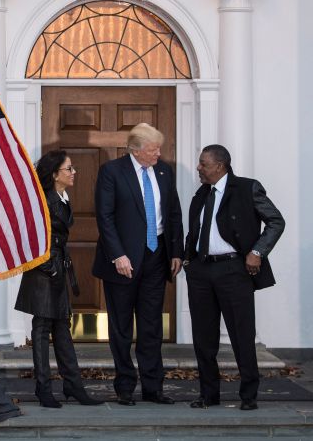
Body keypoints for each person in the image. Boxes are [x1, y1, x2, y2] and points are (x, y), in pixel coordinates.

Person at [183, 144, 285, 411]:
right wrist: (187, 259)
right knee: (203, 337)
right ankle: (209, 394)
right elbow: (195, 230)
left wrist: (257, 252)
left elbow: (276, 221)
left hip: (233, 270)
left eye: (203, 163)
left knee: (241, 334)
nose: (198, 168)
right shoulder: (201, 194)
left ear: (220, 165)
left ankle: (248, 395)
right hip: (201, 272)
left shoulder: (247, 188)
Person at [92, 123, 184, 406]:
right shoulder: (112, 171)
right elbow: (104, 217)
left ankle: (153, 387)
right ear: (136, 150)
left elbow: (174, 214)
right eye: (153, 149)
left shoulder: (164, 171)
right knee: (121, 327)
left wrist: (176, 252)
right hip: (123, 261)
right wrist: (117, 255)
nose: (158, 153)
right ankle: (124, 387)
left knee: (151, 324)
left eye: (159, 148)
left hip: (156, 257)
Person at [14, 150, 102, 408]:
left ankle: (73, 385)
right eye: (69, 169)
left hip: (57, 268)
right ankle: (43, 388)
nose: (74, 173)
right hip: (44, 270)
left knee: (62, 326)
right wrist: (50, 267)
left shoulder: (61, 197)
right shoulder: (43, 199)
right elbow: (32, 235)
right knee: (42, 328)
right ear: (55, 174)